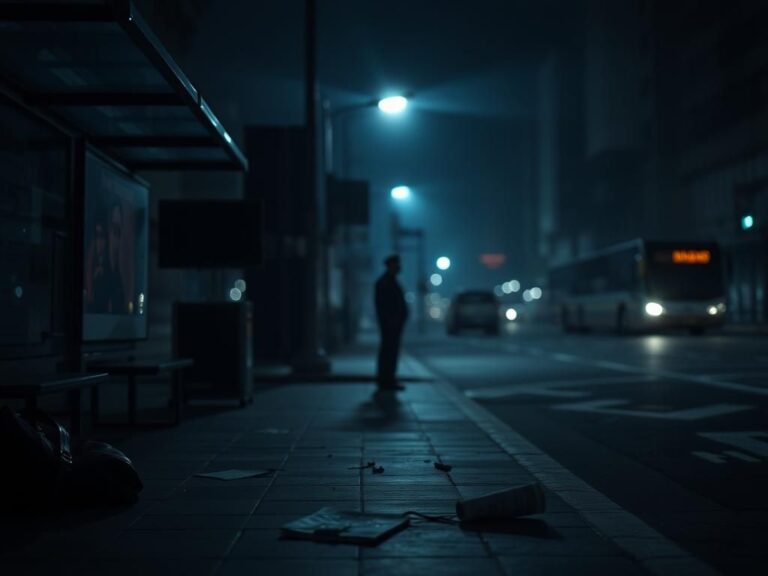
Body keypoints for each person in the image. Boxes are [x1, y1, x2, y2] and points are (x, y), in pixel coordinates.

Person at [374, 254, 408, 391]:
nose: (399, 267)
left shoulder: (390, 281)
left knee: (391, 351)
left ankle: (388, 379)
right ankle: (386, 380)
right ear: (391, 265)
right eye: (396, 264)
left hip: (393, 324)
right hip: (390, 324)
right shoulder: (385, 282)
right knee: (389, 351)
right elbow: (383, 305)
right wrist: (391, 320)